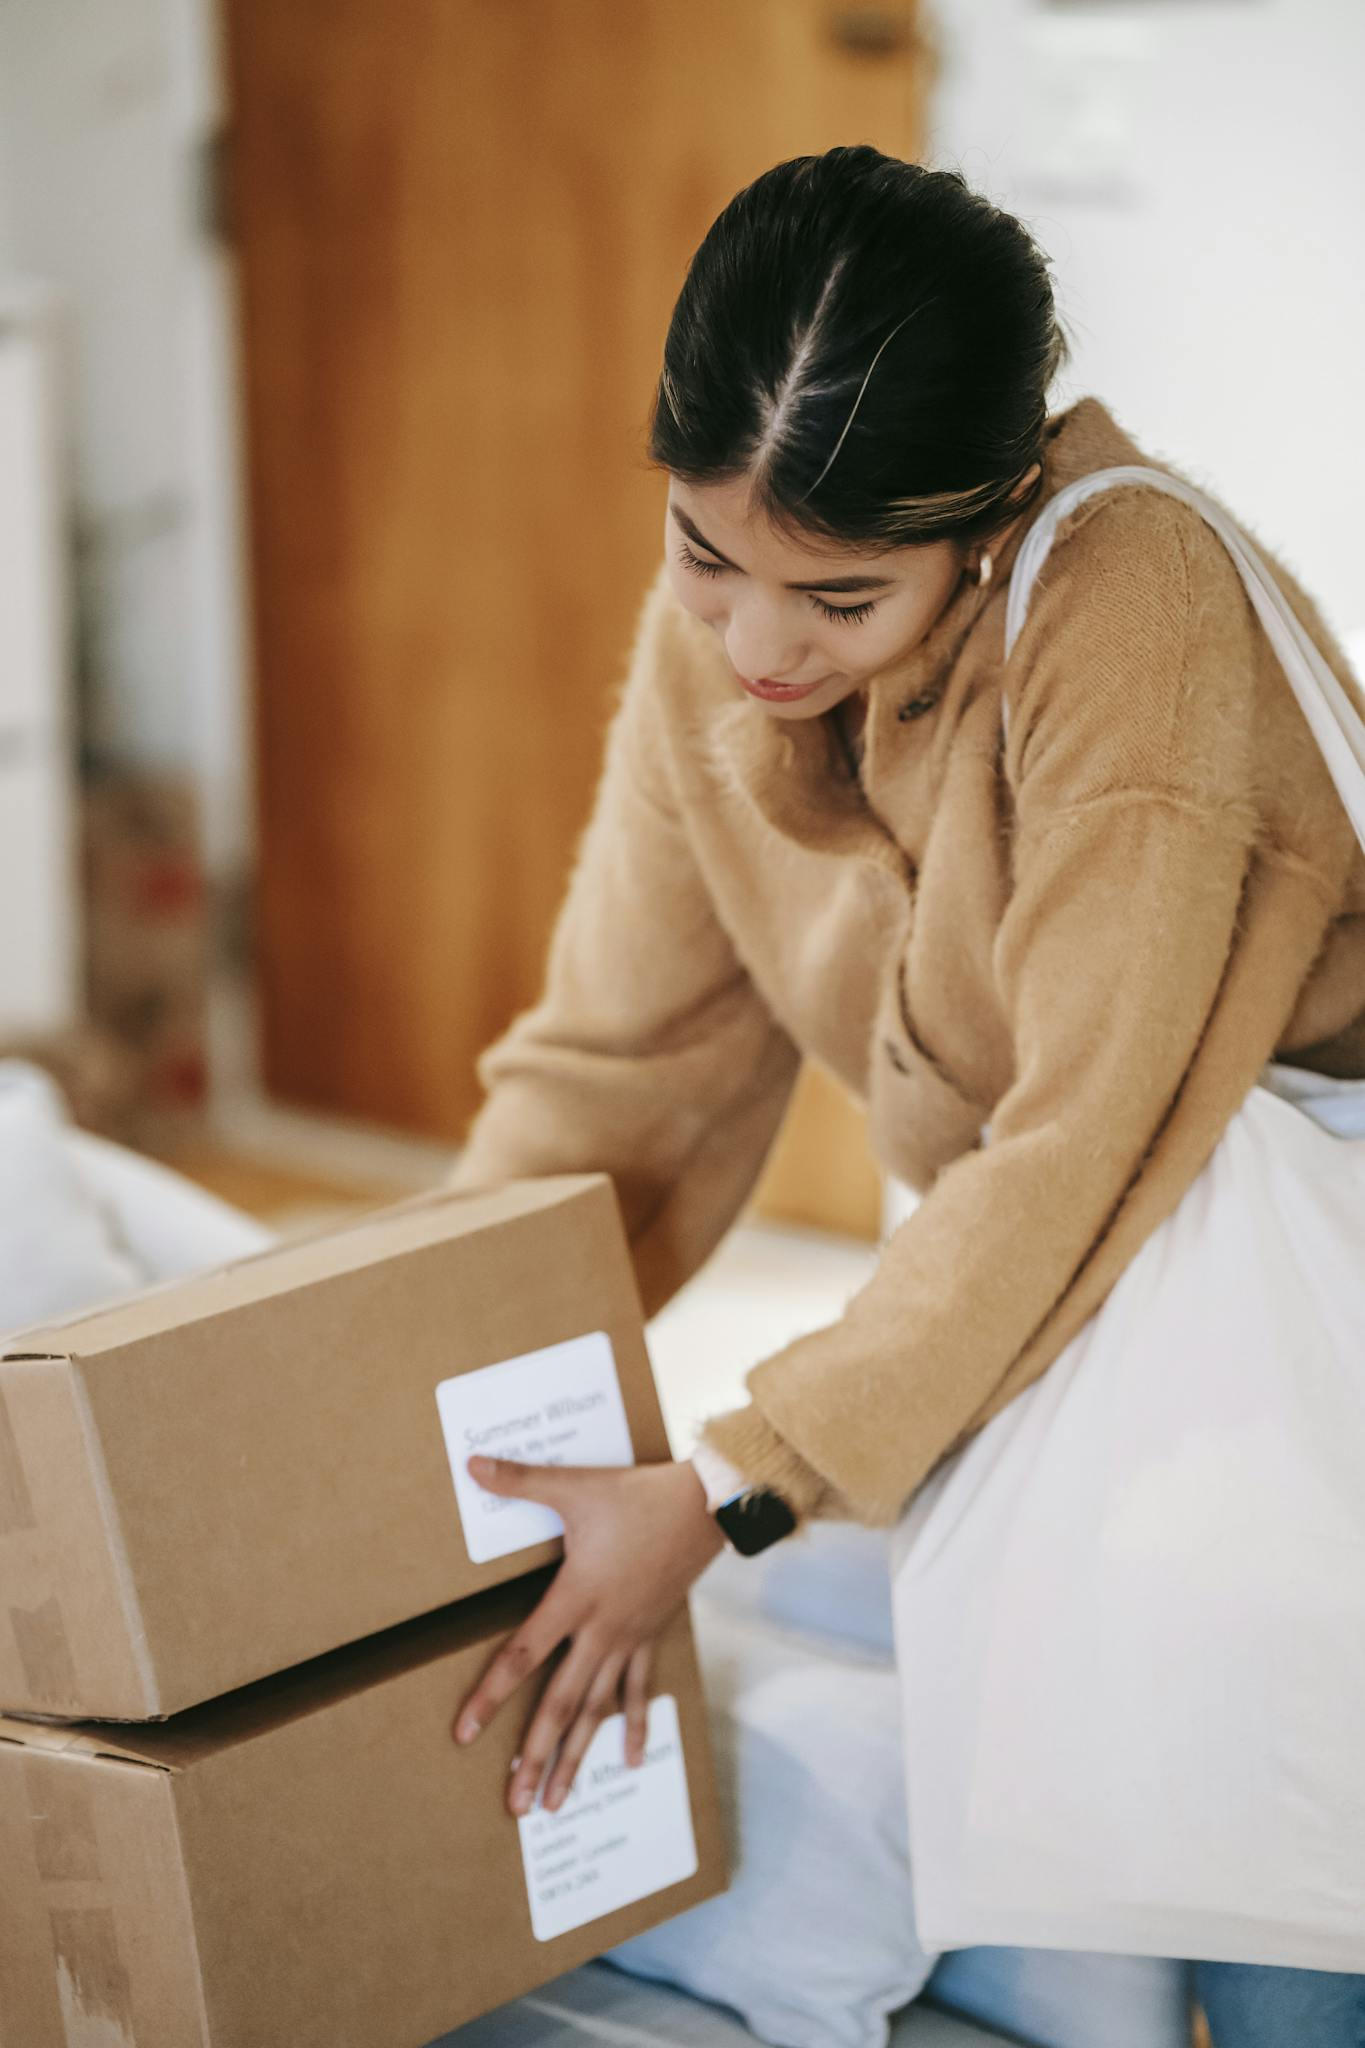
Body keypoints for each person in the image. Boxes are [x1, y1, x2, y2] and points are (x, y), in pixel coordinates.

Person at [444, 147, 1365, 2046]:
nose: (759, 648)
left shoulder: (1134, 609)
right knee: (1106, 1803)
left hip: (1269, 1272)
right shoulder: (724, 640)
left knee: (1281, 1839)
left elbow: (1091, 1143)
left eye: (841, 596)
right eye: (707, 555)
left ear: (991, 513)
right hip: (1082, 1258)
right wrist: (413, 1374)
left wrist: (722, 1489)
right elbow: (620, 1069)